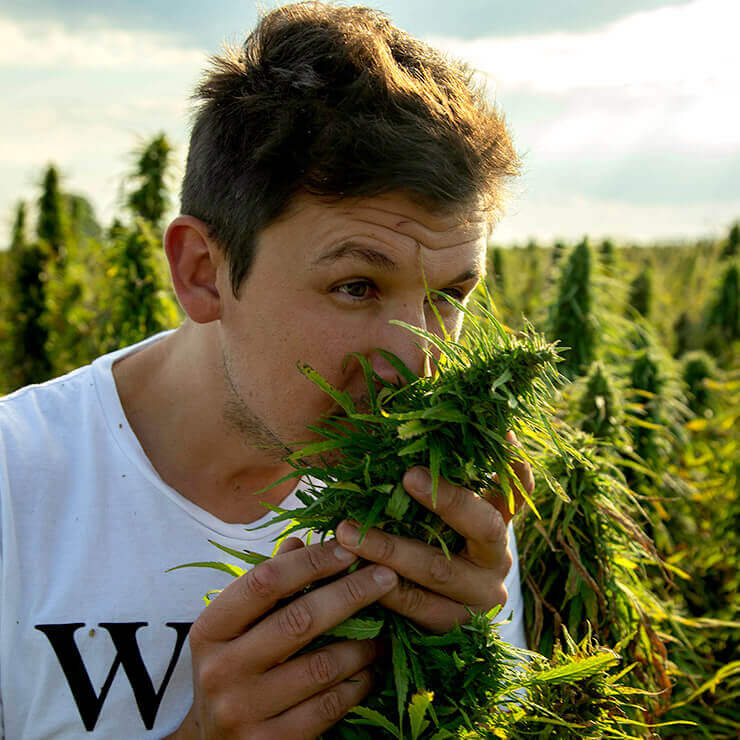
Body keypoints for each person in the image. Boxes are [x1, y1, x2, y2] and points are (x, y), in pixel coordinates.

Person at [0, 3, 530, 737]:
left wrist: (460, 670)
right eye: (356, 287)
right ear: (203, 273)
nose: (418, 363)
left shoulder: (442, 519)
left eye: (450, 296)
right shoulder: (14, 487)